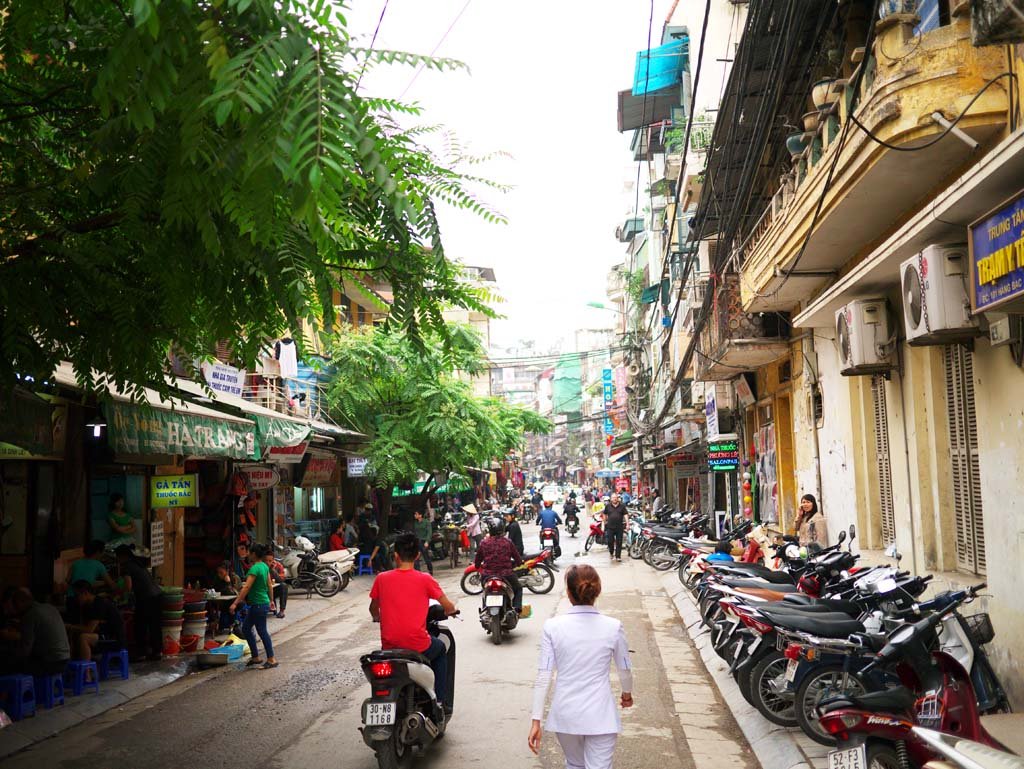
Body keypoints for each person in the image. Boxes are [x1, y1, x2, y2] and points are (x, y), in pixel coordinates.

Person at [528, 565, 633, 768]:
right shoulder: (613, 626)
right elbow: (624, 669)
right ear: (598, 590)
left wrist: (536, 720)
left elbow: (544, 675)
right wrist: (627, 694)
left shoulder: (552, 626)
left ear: (568, 592)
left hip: (566, 714)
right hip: (600, 714)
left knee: (574, 764)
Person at [368, 533, 457, 707]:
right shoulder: (425, 579)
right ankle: (440, 701)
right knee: (440, 649)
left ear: (396, 555)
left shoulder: (381, 578)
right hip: (419, 646)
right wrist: (451, 611)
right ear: (417, 555)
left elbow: (373, 608)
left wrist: (377, 617)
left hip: (390, 647)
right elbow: (448, 606)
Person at [0, 588, 72, 676]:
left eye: (15, 604)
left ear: (20, 602)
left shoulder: (30, 615)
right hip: (65, 660)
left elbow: (25, 651)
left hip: (50, 664)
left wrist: (10, 653)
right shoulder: (50, 607)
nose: (15, 608)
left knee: (7, 663)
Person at [230, 543, 278, 669]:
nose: (248, 554)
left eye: (249, 552)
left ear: (254, 554)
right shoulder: (264, 566)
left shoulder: (255, 568)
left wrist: (235, 603)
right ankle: (255, 657)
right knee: (246, 628)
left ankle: (271, 659)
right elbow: (269, 585)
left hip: (258, 604)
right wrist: (271, 600)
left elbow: (246, 587)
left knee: (262, 631)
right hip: (261, 603)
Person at [116, 544, 163, 660]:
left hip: (146, 598)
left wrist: (119, 594)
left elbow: (128, 586)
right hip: (157, 595)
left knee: (140, 625)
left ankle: (141, 653)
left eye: (118, 557)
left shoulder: (126, 566)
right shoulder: (138, 563)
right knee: (154, 625)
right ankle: (157, 652)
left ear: (122, 556)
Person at [67, 581, 126, 662]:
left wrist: (70, 627)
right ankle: (71, 663)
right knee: (74, 633)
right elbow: (83, 626)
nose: (76, 598)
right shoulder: (87, 605)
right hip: (104, 634)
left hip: (115, 639)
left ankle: (86, 668)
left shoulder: (98, 604)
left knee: (84, 637)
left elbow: (89, 630)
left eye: (77, 595)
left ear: (85, 593)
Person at [475, 518, 524, 612]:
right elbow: (518, 558)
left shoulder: (484, 543)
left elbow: (477, 561)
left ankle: (485, 609)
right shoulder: (508, 542)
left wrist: (478, 566)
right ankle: (517, 609)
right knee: (518, 589)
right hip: (506, 575)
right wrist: (518, 563)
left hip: (487, 575)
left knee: (485, 590)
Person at [212, 561, 242, 631]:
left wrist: (228, 583)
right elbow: (215, 590)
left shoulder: (235, 578)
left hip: (235, 602)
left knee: (232, 607)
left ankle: (233, 627)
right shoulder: (217, 579)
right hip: (222, 602)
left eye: (221, 573)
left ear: (227, 571)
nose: (219, 575)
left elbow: (234, 593)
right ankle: (226, 626)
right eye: (218, 572)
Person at [604, 493, 629, 563]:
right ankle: (611, 552)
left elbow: (626, 515)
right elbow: (605, 514)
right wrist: (604, 522)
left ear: (617, 498)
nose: (614, 499)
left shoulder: (622, 506)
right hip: (610, 527)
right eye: (613, 498)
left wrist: (627, 524)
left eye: (615, 497)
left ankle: (618, 556)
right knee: (610, 541)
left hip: (619, 527)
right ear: (611, 499)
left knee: (619, 542)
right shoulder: (608, 506)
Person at [413, 510, 434, 575]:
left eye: (416, 514)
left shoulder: (426, 522)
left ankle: (430, 570)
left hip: (424, 542)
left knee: (426, 558)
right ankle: (418, 572)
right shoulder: (415, 523)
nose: (415, 515)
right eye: (415, 514)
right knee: (416, 558)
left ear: (420, 515)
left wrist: (427, 541)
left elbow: (429, 532)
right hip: (417, 542)